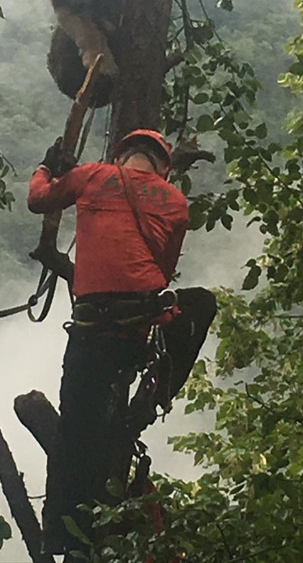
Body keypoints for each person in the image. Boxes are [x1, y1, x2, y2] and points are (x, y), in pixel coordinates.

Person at [27, 129, 217, 557]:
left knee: (75, 430)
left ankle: (60, 533)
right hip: (141, 326)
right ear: (163, 167)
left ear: (121, 156)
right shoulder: (175, 201)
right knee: (201, 304)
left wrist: (47, 167)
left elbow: (38, 199)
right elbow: (164, 268)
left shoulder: (92, 176)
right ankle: (153, 396)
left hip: (93, 328)